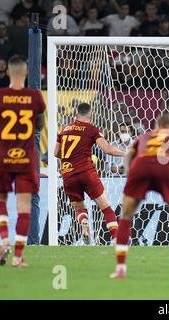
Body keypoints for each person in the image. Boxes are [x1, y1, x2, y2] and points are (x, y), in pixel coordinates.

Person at [111, 114, 169, 280]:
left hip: (140, 168)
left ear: (157, 126)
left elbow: (128, 156)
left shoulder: (146, 136)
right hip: (166, 168)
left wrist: (129, 174)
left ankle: (120, 268)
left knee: (126, 216)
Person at [0, 55, 46, 267]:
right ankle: (18, 257)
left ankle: (4, 240)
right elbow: (39, 124)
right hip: (26, 159)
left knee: (0, 201)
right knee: (24, 209)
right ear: (27, 73)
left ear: (9, 72)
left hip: (3, 158)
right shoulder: (35, 96)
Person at [54, 102, 125, 244]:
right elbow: (108, 149)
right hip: (86, 172)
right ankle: (118, 240)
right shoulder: (91, 129)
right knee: (106, 207)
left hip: (68, 174)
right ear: (91, 114)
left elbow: (56, 153)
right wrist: (127, 153)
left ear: (76, 114)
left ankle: (85, 224)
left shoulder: (63, 130)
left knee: (79, 208)